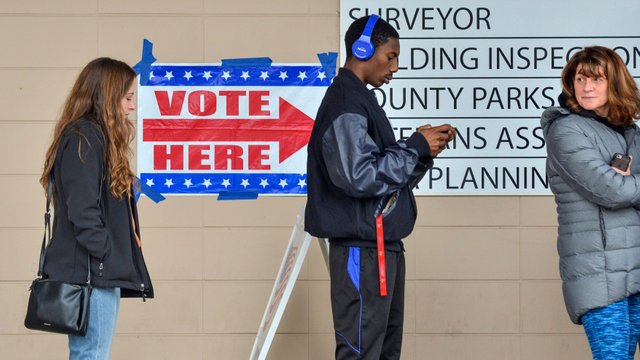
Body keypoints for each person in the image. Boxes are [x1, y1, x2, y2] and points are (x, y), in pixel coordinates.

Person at [305, 15, 455, 360]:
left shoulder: (361, 100)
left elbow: (384, 183)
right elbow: (359, 176)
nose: (396, 67)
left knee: (384, 353)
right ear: (362, 49)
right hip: (362, 251)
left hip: (381, 249)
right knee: (361, 353)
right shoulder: (345, 102)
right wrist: (414, 146)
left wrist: (422, 153)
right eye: (391, 56)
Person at [39, 57, 154, 359]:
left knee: (90, 353)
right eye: (128, 97)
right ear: (108, 95)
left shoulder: (92, 137)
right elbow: (82, 210)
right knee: (91, 354)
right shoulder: (85, 137)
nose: (132, 106)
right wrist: (105, 253)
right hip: (92, 273)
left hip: (96, 270)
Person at [541, 46, 640, 360]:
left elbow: (624, 188)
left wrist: (625, 182)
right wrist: (621, 184)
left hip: (635, 267)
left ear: (615, 83)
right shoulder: (566, 129)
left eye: (597, 79)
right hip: (599, 272)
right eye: (580, 79)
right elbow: (613, 192)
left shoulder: (629, 131)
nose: (587, 87)